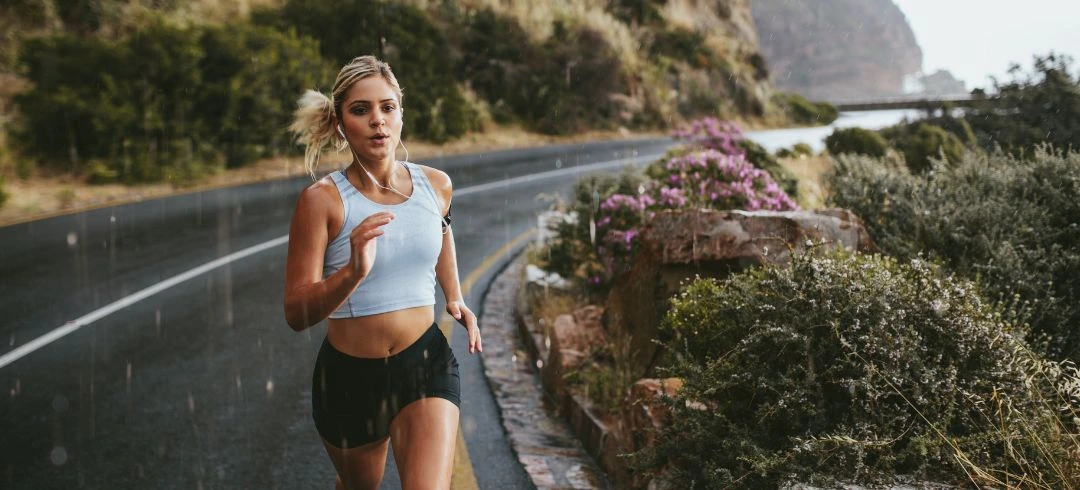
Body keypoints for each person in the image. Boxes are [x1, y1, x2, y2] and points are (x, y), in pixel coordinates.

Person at [283, 55, 481, 490]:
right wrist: (352, 272)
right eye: (361, 110)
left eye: (387, 107)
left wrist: (454, 295)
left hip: (424, 362)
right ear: (340, 124)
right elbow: (296, 313)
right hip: (349, 380)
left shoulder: (436, 185)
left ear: (401, 114)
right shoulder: (322, 202)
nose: (378, 121)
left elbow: (441, 229)